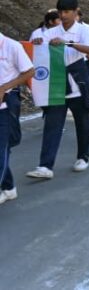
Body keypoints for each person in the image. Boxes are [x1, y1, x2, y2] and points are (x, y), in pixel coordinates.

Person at [26, 0, 89, 180]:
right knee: (52, 123)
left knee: (83, 121)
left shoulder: (85, 29)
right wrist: (37, 45)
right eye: (60, 12)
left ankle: (83, 157)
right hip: (56, 81)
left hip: (78, 79)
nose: (63, 15)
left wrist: (67, 43)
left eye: (67, 12)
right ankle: (45, 166)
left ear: (75, 11)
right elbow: (40, 51)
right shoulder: (51, 32)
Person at [0, 27, 34, 205]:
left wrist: (4, 88)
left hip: (7, 101)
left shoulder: (12, 46)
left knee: (3, 146)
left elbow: (29, 71)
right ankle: (9, 187)